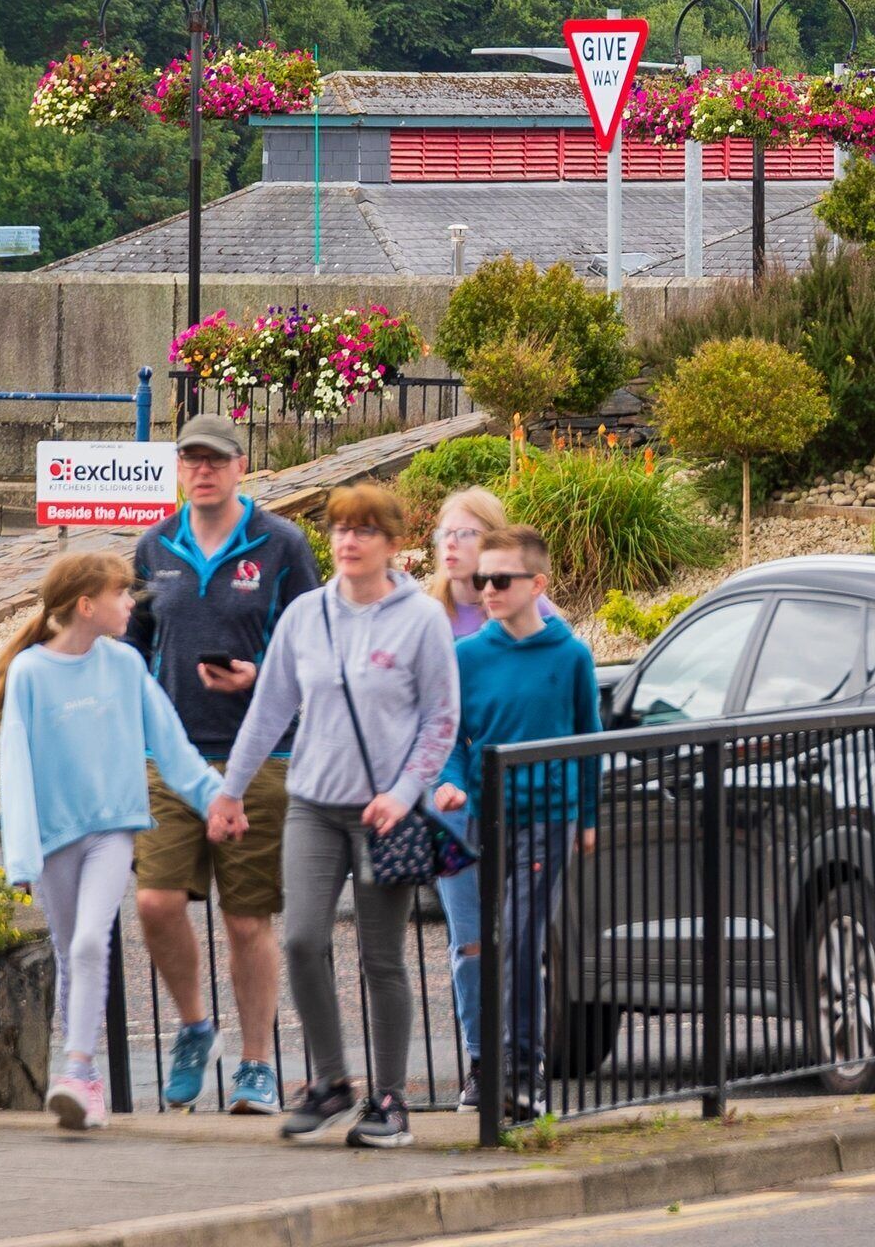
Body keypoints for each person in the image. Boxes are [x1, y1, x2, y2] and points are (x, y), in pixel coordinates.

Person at [203, 482, 458, 1150]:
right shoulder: (305, 617)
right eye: (340, 530)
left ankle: (391, 1100)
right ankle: (330, 1082)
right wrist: (230, 791)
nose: (347, 542)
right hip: (313, 803)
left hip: (384, 814)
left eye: (364, 531)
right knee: (301, 939)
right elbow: (270, 710)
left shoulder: (421, 620)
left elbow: (442, 721)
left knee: (382, 959)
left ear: (392, 543)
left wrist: (404, 793)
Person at [0, 548, 225, 1132]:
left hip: (112, 829)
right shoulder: (30, 673)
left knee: (93, 941)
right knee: (71, 955)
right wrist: (20, 855)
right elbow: (15, 767)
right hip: (52, 838)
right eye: (122, 594)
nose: (131, 604)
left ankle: (77, 1070)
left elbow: (170, 745)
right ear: (86, 605)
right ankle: (84, 1078)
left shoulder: (124, 665)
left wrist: (215, 799)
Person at [124, 412, 316, 1113]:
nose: (202, 470)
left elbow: (310, 649)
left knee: (246, 918)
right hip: (171, 756)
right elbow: (132, 643)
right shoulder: (155, 547)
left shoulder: (280, 545)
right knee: (154, 900)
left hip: (261, 755)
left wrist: (257, 676)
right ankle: (195, 1025)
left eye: (215, 460)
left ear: (241, 467)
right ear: (179, 468)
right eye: (190, 459)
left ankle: (257, 1064)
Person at [430, 519, 600, 1121]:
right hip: (481, 819)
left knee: (522, 942)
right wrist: (450, 780)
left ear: (537, 583)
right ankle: (497, 1068)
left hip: (547, 819)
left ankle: (523, 1077)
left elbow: (588, 738)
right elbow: (449, 734)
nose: (488, 591)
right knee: (481, 945)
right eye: (481, 581)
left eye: (501, 580)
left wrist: (586, 816)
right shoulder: (466, 656)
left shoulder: (571, 654)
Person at [421, 487, 566, 1083]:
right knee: (471, 942)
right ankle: (483, 1062)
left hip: (525, 800)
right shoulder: (422, 616)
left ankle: (522, 1062)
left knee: (523, 938)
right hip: (452, 801)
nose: (452, 546)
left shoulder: (537, 615)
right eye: (444, 535)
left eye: (466, 534)